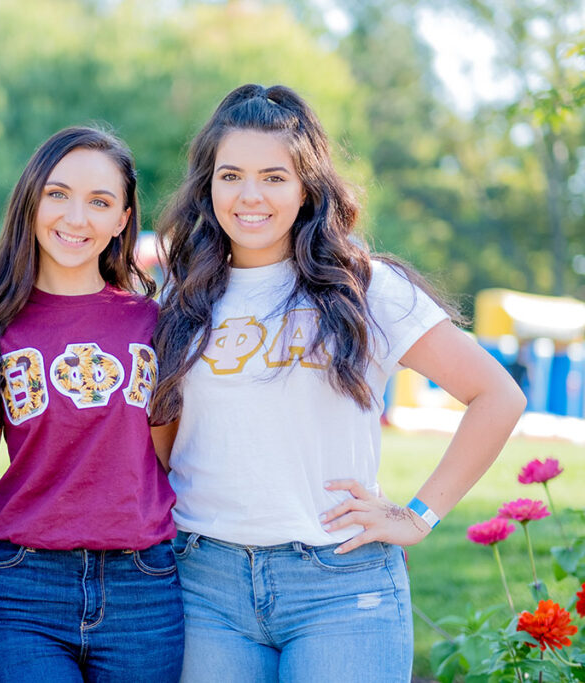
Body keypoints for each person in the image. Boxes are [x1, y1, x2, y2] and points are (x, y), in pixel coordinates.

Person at [149, 84, 526, 682]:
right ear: (208, 185)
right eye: (231, 175)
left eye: (274, 177)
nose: (251, 196)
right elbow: (160, 441)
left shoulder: (363, 289)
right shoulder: (178, 297)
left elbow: (498, 396)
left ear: (306, 187)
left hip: (340, 588)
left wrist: (419, 515)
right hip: (203, 585)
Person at [0, 126, 184, 682]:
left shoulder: (153, 325)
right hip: (24, 590)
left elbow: (157, 463)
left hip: (144, 590)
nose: (75, 217)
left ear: (121, 220)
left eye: (100, 202)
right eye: (58, 194)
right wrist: (50, 503)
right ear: (32, 200)